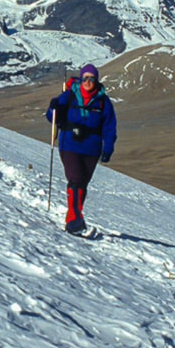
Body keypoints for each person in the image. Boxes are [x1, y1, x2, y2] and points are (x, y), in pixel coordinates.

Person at [45, 63, 117, 234]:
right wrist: (52, 107)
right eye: (85, 77)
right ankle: (75, 218)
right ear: (81, 78)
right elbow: (52, 117)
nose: (88, 81)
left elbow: (109, 126)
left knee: (82, 184)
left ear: (96, 80)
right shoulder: (69, 95)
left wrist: (108, 148)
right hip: (69, 144)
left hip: (92, 148)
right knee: (75, 179)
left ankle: (73, 216)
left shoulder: (103, 101)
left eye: (91, 78)